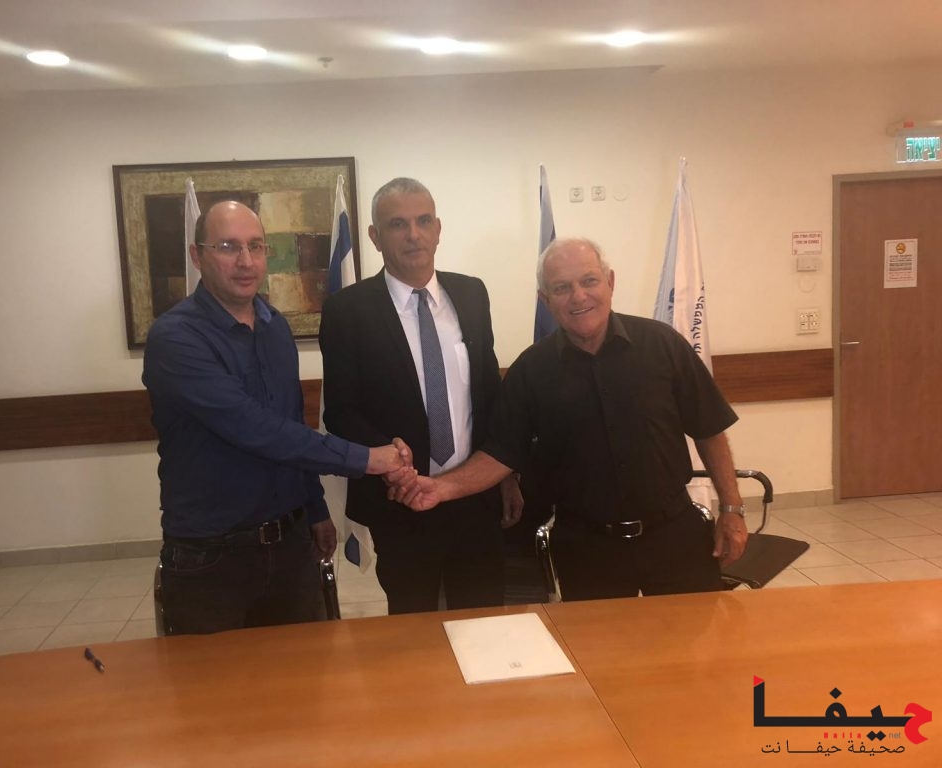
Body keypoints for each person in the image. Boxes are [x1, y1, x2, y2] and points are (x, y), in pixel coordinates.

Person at [392, 237, 748, 600]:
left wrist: (732, 508)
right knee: (599, 640)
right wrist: (440, 487)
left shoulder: (663, 345)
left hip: (675, 539)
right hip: (587, 551)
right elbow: (500, 454)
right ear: (545, 300)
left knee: (694, 637)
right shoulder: (531, 371)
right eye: (561, 288)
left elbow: (709, 429)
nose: (578, 297)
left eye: (589, 281)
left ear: (610, 282)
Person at [143, 200, 412, 634]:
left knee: (304, 674)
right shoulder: (175, 338)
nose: (245, 261)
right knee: (215, 678)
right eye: (228, 247)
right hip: (212, 558)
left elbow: (291, 423)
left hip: (291, 546)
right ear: (197, 256)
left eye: (256, 246)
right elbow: (255, 429)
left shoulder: (274, 327)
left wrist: (316, 508)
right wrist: (369, 459)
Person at [319, 177, 522, 614]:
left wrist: (505, 475)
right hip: (402, 502)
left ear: (438, 229)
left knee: (483, 620)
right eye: (398, 224)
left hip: (473, 496)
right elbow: (341, 411)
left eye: (423, 221)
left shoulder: (471, 293)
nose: (413, 234)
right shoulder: (347, 311)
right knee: (414, 629)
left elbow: (489, 394)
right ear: (375, 237)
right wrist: (390, 461)